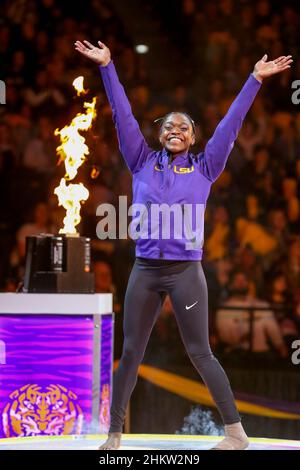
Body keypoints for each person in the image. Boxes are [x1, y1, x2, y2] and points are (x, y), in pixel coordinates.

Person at [75, 39, 292, 450]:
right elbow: (122, 115)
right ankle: (114, 434)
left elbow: (231, 124)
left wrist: (253, 80)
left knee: (201, 353)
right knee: (131, 352)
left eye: (184, 127)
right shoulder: (139, 159)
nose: (175, 130)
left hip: (185, 273)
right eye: (168, 127)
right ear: (159, 135)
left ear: (193, 139)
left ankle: (236, 434)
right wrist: (107, 67)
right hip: (144, 270)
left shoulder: (207, 167)